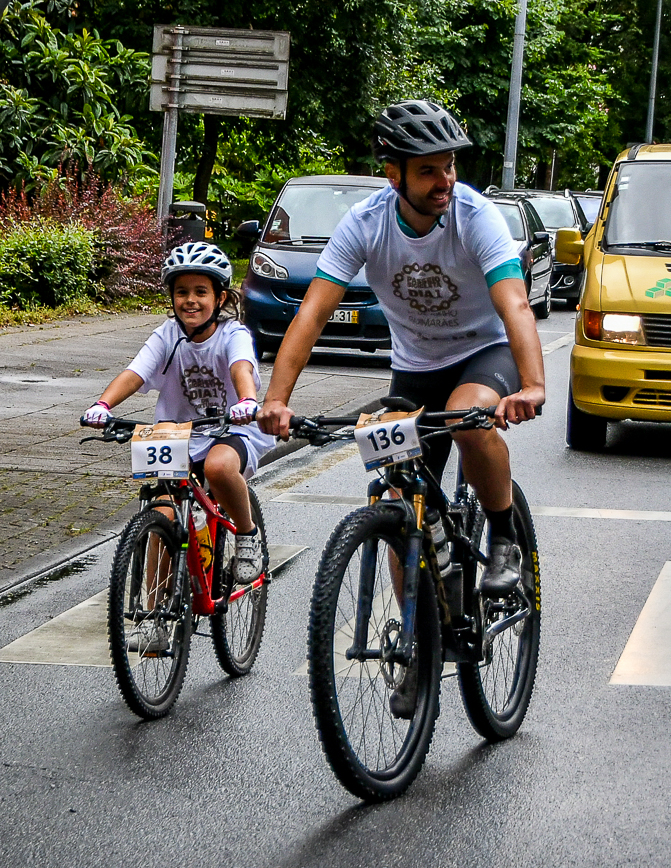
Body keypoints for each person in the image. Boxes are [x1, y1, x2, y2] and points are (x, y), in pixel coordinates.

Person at [257, 98, 545, 604]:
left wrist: (532, 385)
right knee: (399, 501)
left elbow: (516, 304)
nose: (445, 180)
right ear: (394, 175)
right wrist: (276, 400)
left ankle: (504, 537)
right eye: (428, 171)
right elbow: (312, 314)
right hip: (414, 368)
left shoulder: (475, 217)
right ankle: (416, 638)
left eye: (449, 166)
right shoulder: (365, 223)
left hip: (484, 352)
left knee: (465, 418)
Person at [81, 242, 272, 592]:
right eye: (181, 292)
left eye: (201, 291)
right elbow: (136, 372)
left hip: (232, 429)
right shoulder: (167, 335)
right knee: (164, 513)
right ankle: (154, 612)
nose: (190, 300)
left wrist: (247, 400)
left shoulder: (233, 334)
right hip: (178, 436)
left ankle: (247, 534)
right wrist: (102, 405)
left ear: (220, 298)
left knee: (217, 468)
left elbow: (241, 367)